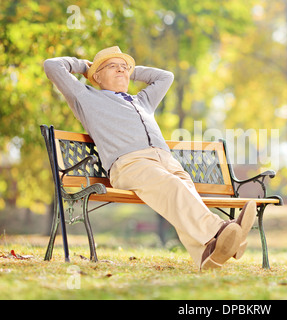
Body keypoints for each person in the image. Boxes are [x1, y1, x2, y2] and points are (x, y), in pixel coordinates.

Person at [44, 46, 257, 270]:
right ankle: (223, 231)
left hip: (166, 160)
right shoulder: (85, 97)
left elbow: (165, 77)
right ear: (96, 75)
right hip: (129, 164)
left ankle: (208, 254)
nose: (121, 70)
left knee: (184, 193)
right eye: (112, 66)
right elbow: (52, 66)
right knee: (174, 187)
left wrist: (131, 70)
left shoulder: (142, 101)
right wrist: (85, 66)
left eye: (124, 67)